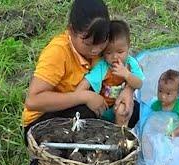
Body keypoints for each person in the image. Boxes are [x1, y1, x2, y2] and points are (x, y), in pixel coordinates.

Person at [22, 0, 139, 143]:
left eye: (101, 42)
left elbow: (129, 65)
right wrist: (84, 97)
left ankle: (107, 142)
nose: (95, 50)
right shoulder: (58, 52)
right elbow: (33, 101)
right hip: (43, 122)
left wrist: (128, 90)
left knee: (132, 110)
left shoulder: (104, 42)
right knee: (86, 113)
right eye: (88, 44)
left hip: (90, 105)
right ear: (71, 31)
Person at [76, 20, 144, 126]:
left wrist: (127, 74)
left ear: (128, 47)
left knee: (130, 110)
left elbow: (139, 83)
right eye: (108, 53)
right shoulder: (103, 66)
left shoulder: (131, 63)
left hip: (123, 105)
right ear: (103, 52)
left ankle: (120, 133)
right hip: (105, 108)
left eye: (120, 52)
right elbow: (86, 82)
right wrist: (82, 95)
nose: (115, 57)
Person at [151, 69, 179, 137]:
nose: (163, 96)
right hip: (162, 129)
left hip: (176, 131)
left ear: (178, 94)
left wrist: (175, 133)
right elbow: (152, 118)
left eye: (168, 93)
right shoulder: (156, 105)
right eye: (160, 91)